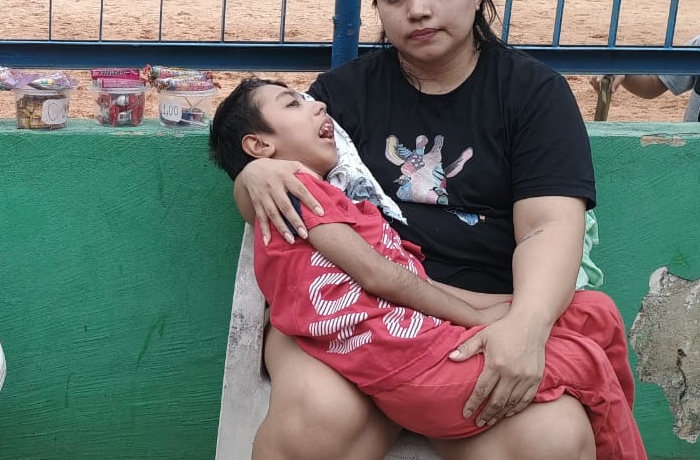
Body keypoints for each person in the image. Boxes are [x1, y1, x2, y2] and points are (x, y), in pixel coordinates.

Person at [233, 0, 636, 460]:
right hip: (352, 315)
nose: (417, 9)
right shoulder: (342, 96)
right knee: (317, 418)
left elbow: (548, 226)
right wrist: (253, 175)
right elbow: (279, 187)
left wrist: (526, 326)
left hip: (483, 313)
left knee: (552, 440)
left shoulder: (533, 94)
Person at [209, 78, 646, 460]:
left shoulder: (354, 207)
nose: (317, 105)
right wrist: (254, 174)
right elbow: (382, 276)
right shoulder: (304, 187)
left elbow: (412, 280)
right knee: (589, 365)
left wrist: (511, 312)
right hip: (419, 359)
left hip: (422, 331)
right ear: (259, 146)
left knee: (596, 312)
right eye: (293, 103)